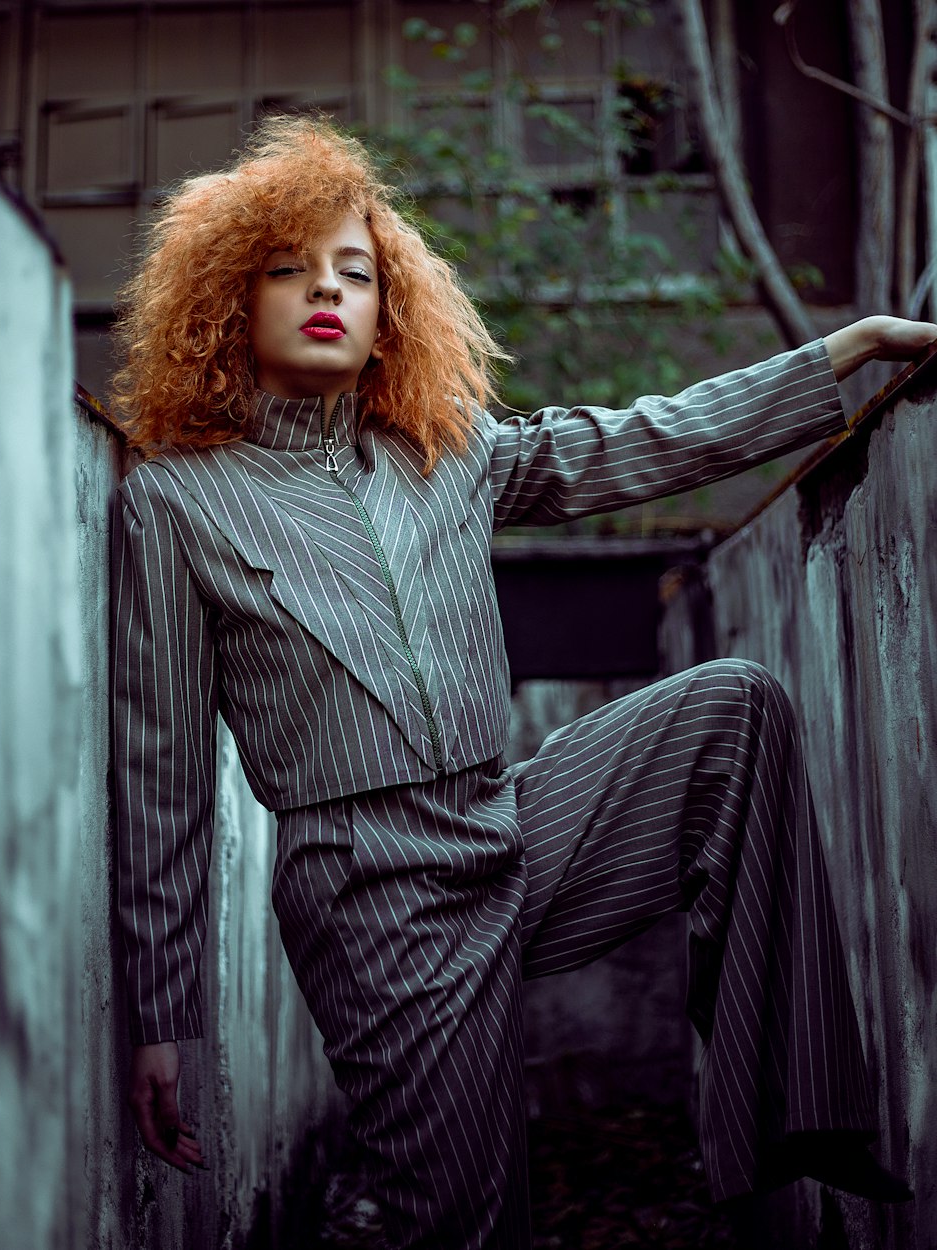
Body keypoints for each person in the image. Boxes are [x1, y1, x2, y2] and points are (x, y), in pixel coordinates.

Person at [109, 114, 934, 1249]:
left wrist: (835, 358)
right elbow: (159, 776)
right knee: (457, 1215)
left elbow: (641, 438)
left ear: (389, 303)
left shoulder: (445, 452)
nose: (326, 290)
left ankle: (793, 1124)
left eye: (355, 270)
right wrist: (164, 1017)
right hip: (368, 890)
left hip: (508, 823)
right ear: (224, 302)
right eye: (287, 268)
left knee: (731, 710)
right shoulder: (174, 502)